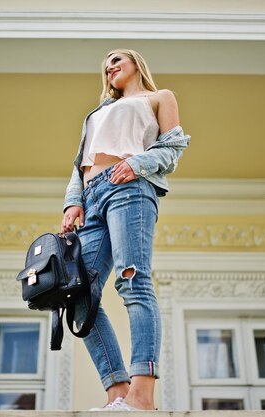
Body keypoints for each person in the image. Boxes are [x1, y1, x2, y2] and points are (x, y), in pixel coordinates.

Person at [60, 49, 190, 411]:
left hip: (129, 187)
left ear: (136, 63)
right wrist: (73, 201)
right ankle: (117, 390)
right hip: (92, 195)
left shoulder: (158, 98)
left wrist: (136, 163)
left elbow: (173, 147)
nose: (110, 66)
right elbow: (79, 162)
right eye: (105, 64)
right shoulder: (98, 112)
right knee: (78, 293)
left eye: (117, 60)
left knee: (133, 281)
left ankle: (142, 393)